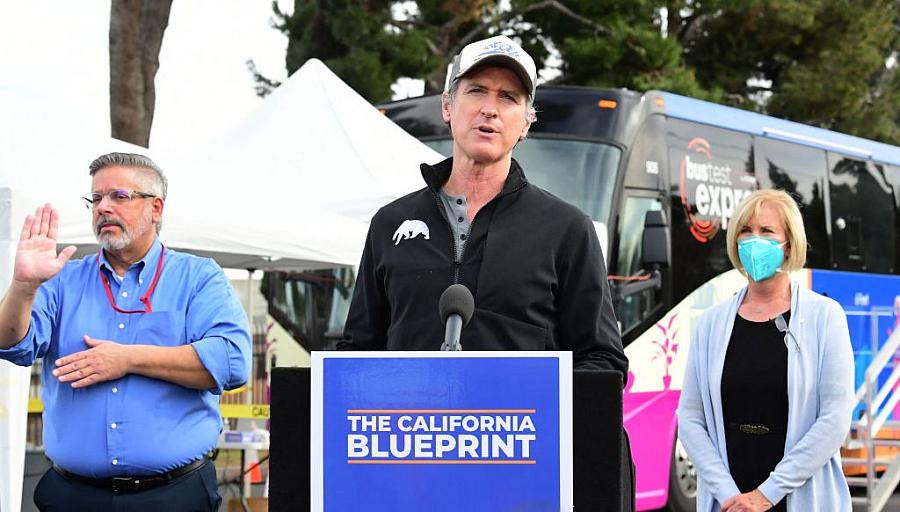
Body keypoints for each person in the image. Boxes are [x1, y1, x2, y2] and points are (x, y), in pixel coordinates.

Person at [339, 34, 627, 376]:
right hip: (411, 428)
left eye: (508, 97)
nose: (490, 109)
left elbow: (602, 361)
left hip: (526, 429)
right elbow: (356, 355)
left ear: (526, 123)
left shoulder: (567, 229)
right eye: (476, 91)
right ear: (447, 106)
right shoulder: (391, 224)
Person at [0, 153, 251, 511]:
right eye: (96, 198)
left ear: (156, 208)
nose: (103, 207)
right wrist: (24, 285)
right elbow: (12, 345)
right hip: (73, 496)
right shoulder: (62, 280)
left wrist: (127, 359)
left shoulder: (198, 278)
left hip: (174, 495)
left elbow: (231, 362)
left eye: (119, 196)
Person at [677, 189, 854, 511]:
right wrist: (728, 494)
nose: (753, 240)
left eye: (767, 231)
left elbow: (835, 418)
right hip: (729, 500)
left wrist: (766, 494)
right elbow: (690, 417)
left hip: (799, 496)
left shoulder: (824, 316)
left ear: (789, 244)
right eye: (745, 230)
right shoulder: (710, 324)